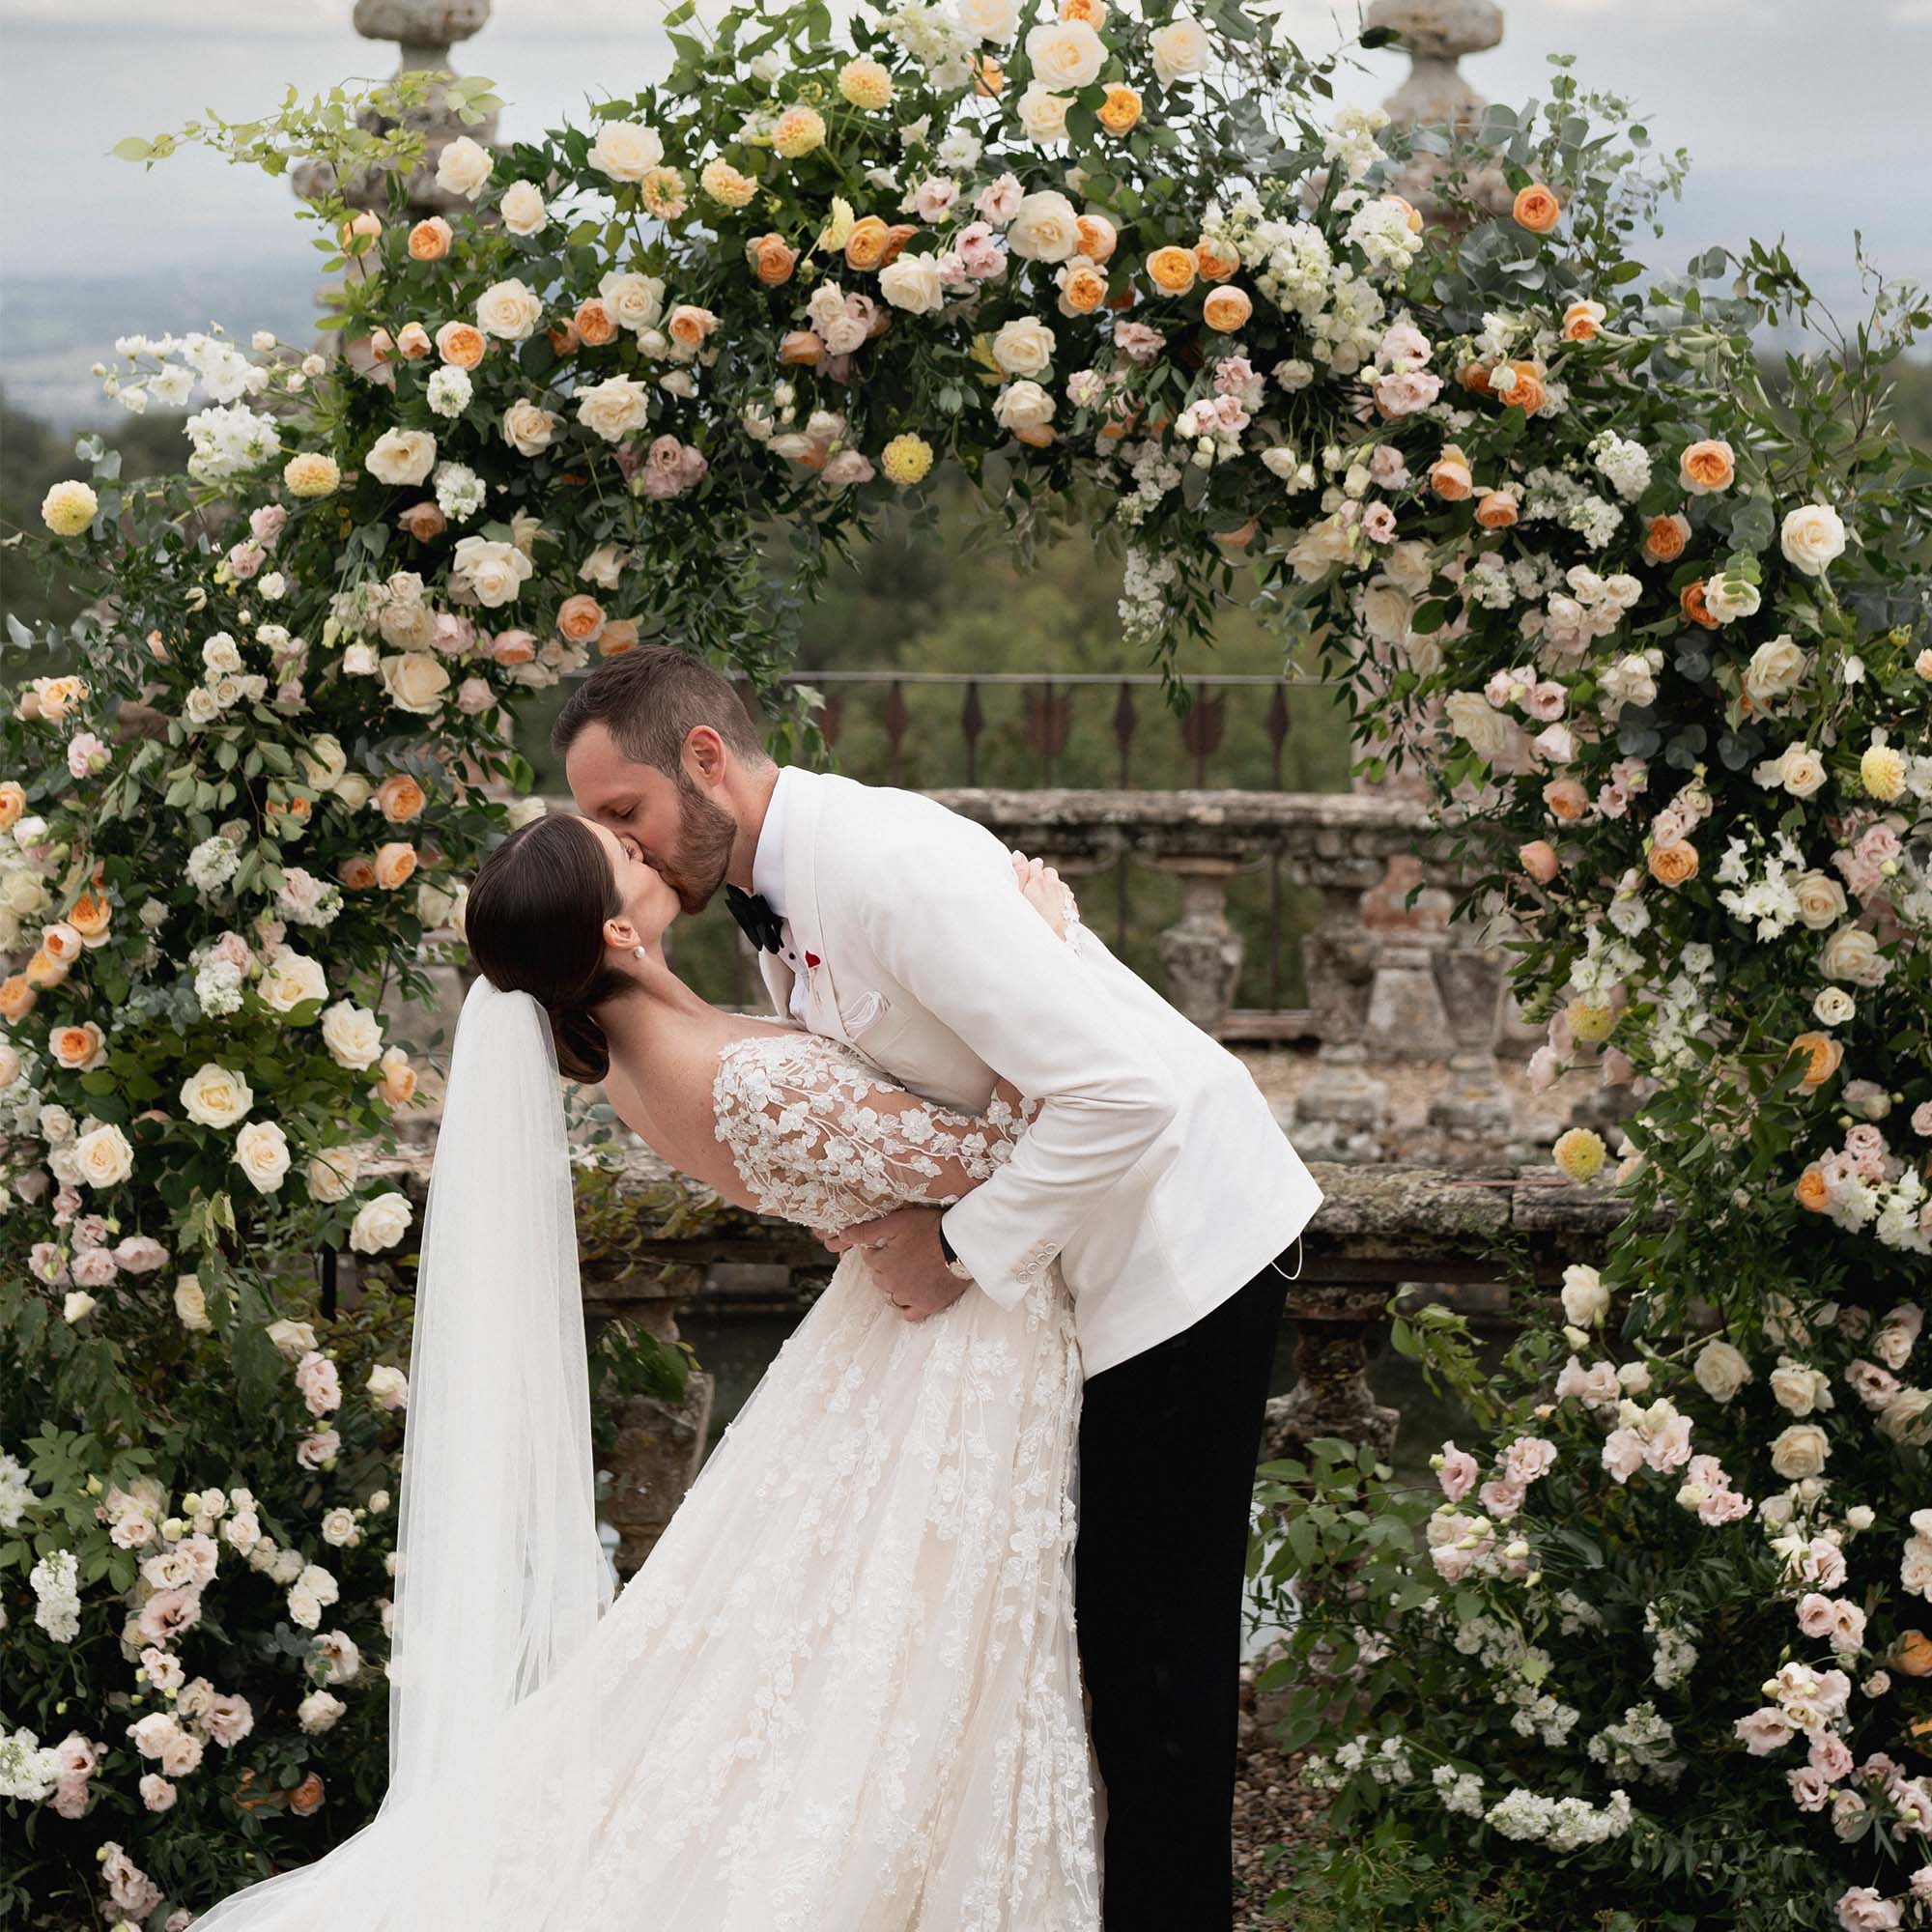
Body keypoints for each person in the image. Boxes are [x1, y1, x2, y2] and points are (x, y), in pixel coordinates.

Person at [186, 815, 1100, 1931]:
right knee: (904, 1682)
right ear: (618, 924)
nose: (639, 836)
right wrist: (1048, 945)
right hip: (948, 1346)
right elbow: (1002, 1152)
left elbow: (873, 1145)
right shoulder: (716, 1072)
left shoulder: (652, 1042)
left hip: (895, 1340)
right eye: (617, 843)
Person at [555, 645, 1325, 1930]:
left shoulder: (885, 866)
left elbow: (1123, 1094)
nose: (616, 847)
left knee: (1154, 1673)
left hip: (1184, 1248)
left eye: (622, 812)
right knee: (1111, 1660)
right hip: (1082, 1253)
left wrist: (958, 1246)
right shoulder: (778, 910)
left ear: (703, 759)